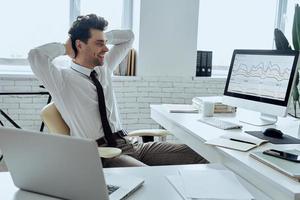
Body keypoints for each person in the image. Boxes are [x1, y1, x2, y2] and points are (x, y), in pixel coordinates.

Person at [28, 14, 206, 167]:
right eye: (99, 44)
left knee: (201, 155)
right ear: (80, 45)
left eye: (105, 43)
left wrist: (105, 37)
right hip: (103, 154)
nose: (106, 49)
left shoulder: (103, 68)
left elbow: (129, 37)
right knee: (153, 178)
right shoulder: (61, 80)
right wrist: (66, 48)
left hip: (129, 144)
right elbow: (36, 55)